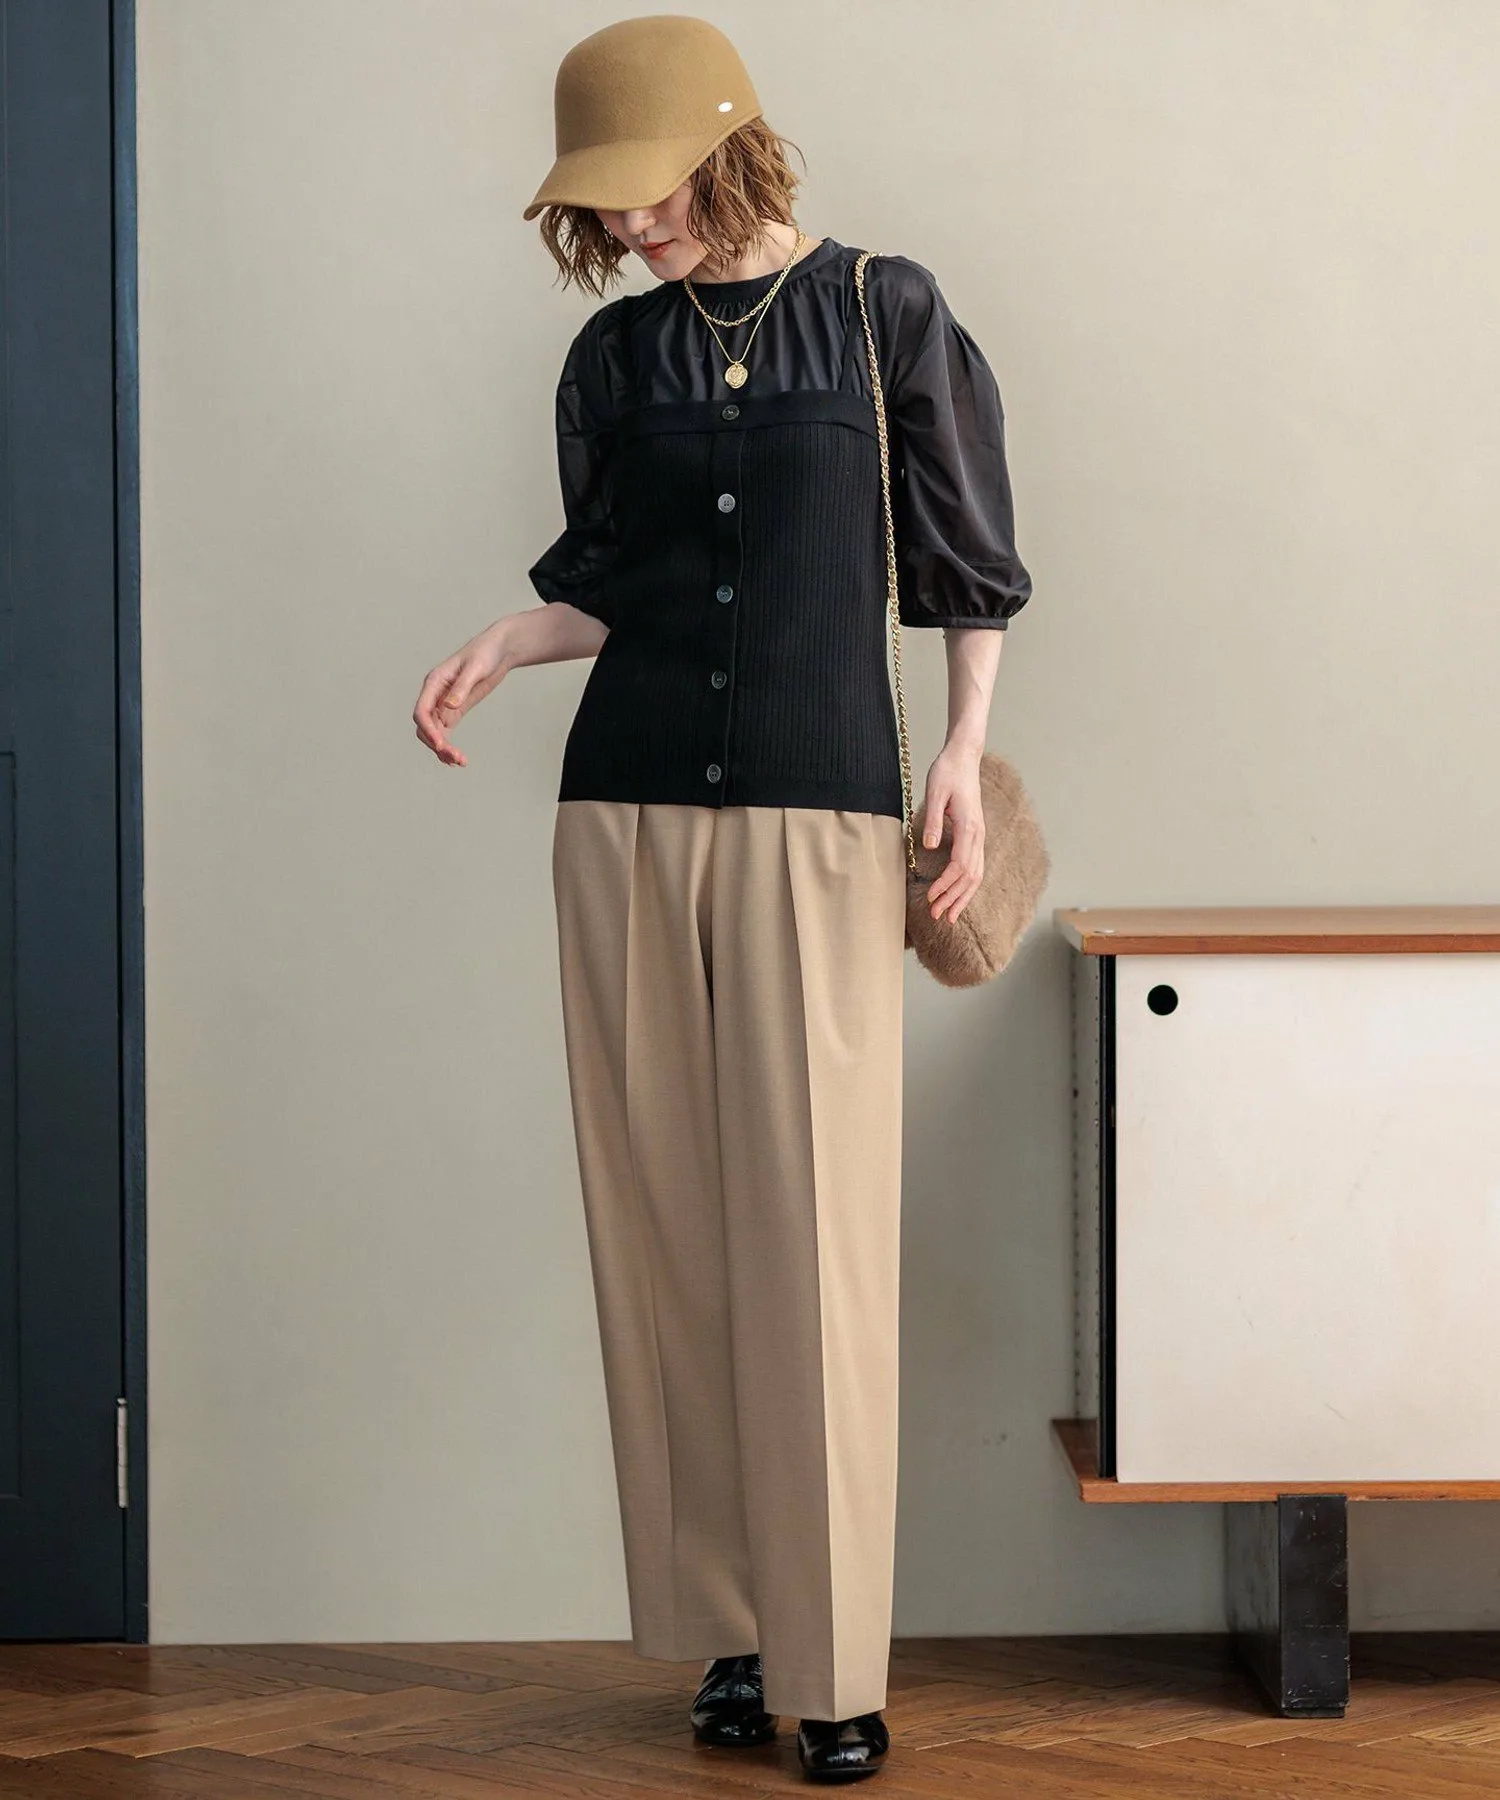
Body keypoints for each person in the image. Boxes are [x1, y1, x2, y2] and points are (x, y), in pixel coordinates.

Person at [412, 14, 1031, 1784]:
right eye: (600, 209)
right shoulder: (615, 359)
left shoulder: (883, 312)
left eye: (648, 193)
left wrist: (962, 749)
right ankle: (735, 1638)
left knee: (813, 1236)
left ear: (726, 143)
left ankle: (838, 1666)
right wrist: (510, 638)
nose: (628, 229)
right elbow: (618, 583)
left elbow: (964, 566)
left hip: (819, 812)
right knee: (665, 1231)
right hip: (620, 813)